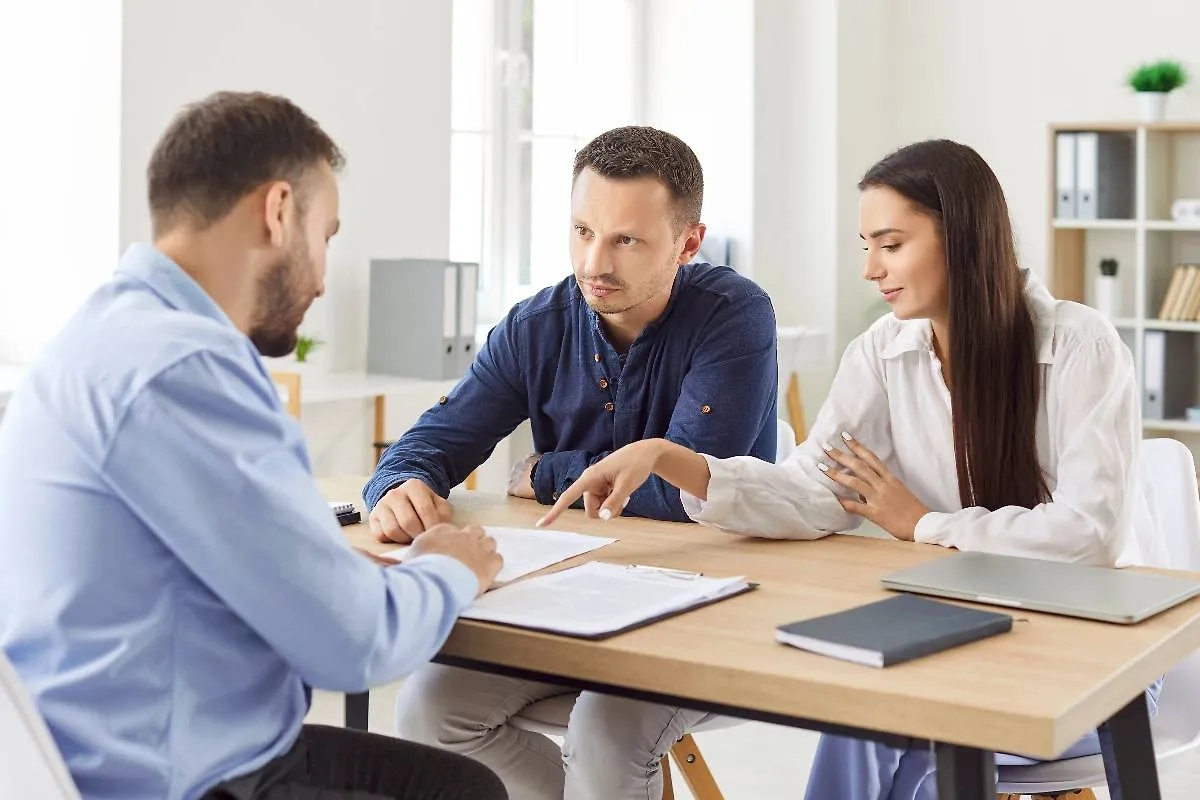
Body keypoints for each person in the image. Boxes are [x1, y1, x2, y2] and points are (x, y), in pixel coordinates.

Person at [538, 138, 1166, 799]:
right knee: (863, 711)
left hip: (1096, 662)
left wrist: (923, 524)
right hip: (960, 632)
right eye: (865, 245)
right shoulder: (882, 352)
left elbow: (1088, 537)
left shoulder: (1078, 346)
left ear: (963, 239)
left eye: (890, 245)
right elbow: (815, 492)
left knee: (907, 736)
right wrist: (676, 462)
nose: (870, 269)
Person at [0, 91, 507, 800]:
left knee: (456, 783)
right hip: (170, 777)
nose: (326, 279)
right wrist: (450, 567)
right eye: (326, 235)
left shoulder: (97, 337)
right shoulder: (183, 367)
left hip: (97, 751)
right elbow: (354, 645)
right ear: (277, 212)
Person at [372, 126, 779, 800]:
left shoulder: (734, 315)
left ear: (688, 243)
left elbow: (693, 488)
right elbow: (433, 441)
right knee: (428, 709)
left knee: (606, 728)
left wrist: (549, 473)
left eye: (626, 239)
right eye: (583, 230)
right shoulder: (535, 326)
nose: (595, 261)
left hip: (704, 609)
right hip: (572, 603)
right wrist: (402, 481)